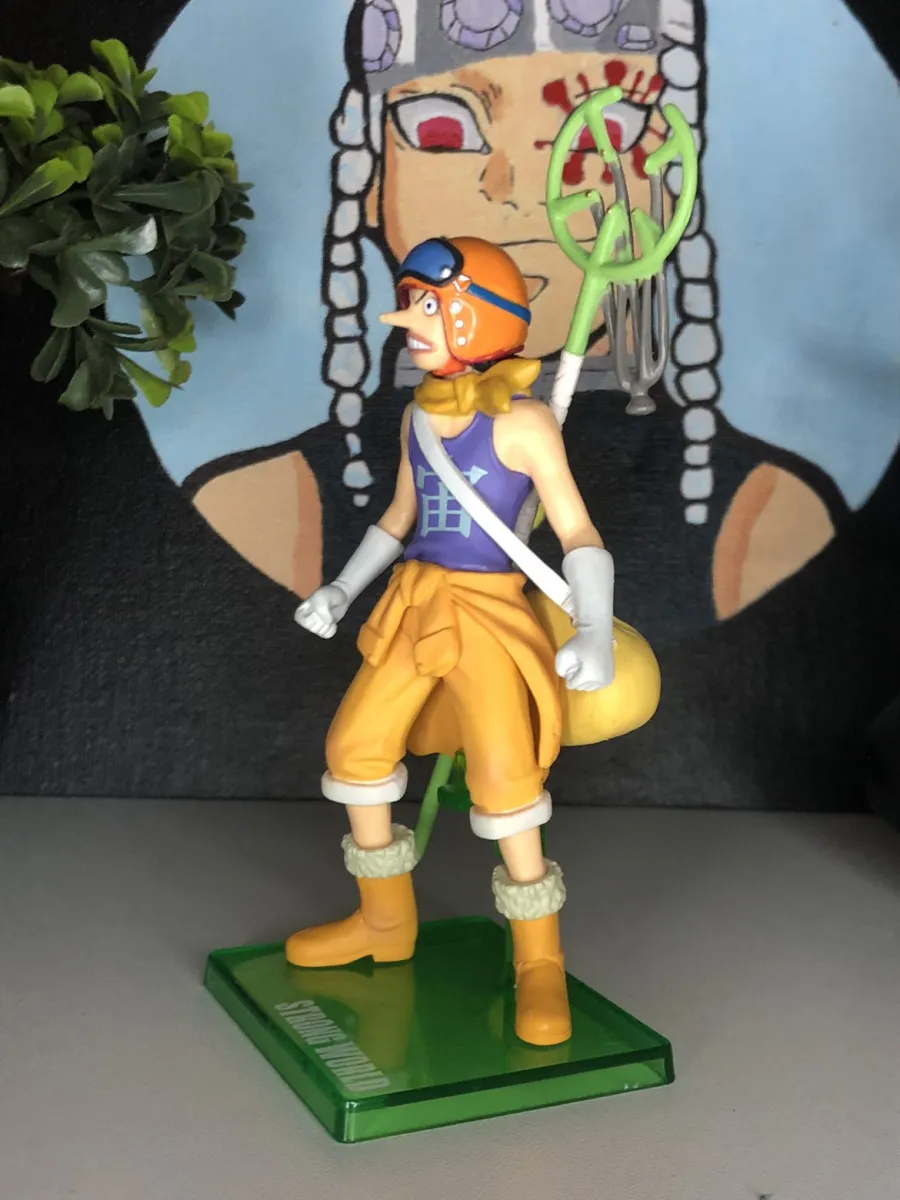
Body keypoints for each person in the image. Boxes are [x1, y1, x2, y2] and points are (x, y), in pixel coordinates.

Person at [288, 236, 617, 1047]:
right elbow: (399, 519)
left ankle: (539, 959)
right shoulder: (418, 417)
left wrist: (594, 628)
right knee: (354, 747)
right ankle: (383, 921)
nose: (410, 323)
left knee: (506, 780)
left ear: (476, 316)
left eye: (429, 308)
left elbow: (577, 532)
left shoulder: (527, 424)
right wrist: (341, 588)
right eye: (413, 305)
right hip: (414, 602)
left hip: (489, 613)